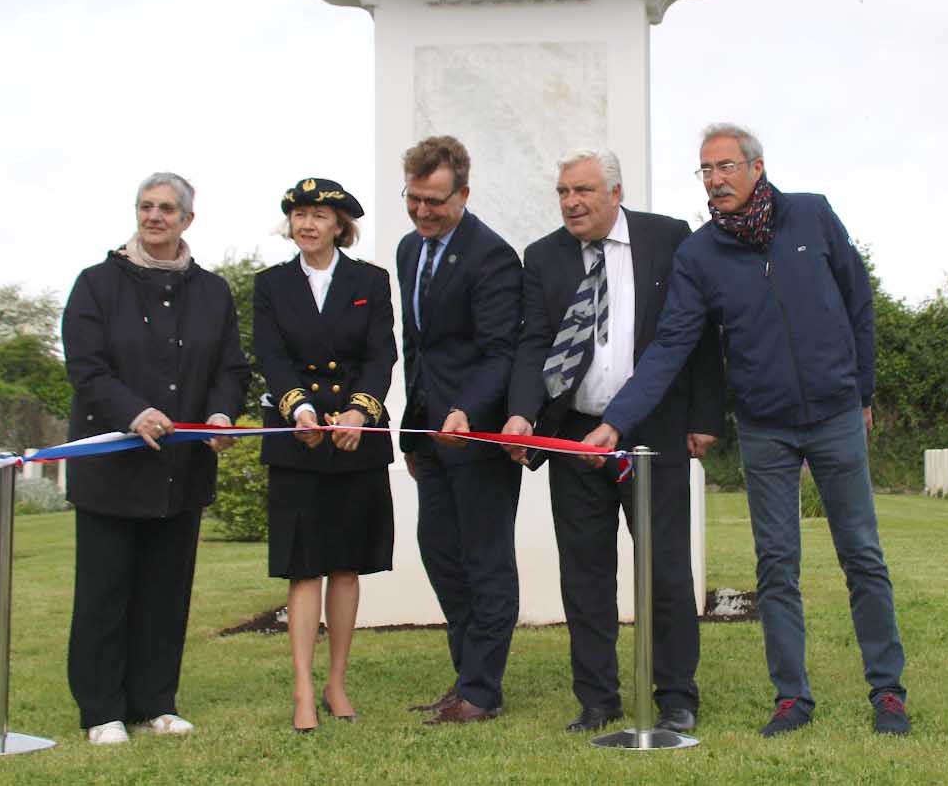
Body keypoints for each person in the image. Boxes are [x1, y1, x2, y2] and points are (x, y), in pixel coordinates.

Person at [583, 123, 911, 738]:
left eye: (726, 167)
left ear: (757, 169)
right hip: (764, 427)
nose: (715, 180)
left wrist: (862, 392)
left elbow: (857, 302)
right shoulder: (701, 253)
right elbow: (671, 345)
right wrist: (615, 421)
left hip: (836, 416)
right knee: (776, 565)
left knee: (862, 555)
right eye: (705, 170)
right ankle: (792, 698)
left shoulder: (812, 216)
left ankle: (887, 691)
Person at [500, 149, 725, 733]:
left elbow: (700, 335)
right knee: (584, 573)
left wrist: (703, 414)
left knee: (666, 568)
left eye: (583, 191)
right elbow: (535, 344)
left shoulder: (669, 239)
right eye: (563, 192)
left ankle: (676, 694)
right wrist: (522, 413)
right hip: (574, 435)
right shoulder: (543, 256)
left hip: (653, 433)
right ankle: (597, 699)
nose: (571, 202)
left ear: (615, 193)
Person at [60, 171, 248, 745]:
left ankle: (154, 702)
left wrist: (220, 415)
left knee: (166, 593)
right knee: (105, 593)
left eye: (167, 208)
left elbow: (230, 369)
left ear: (187, 219)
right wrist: (133, 413)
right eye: (146, 207)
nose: (154, 216)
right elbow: (86, 367)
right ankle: (101, 710)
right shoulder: (95, 285)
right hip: (111, 472)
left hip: (179, 473)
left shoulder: (212, 292)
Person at [253, 177, 396, 732]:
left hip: (356, 438)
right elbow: (272, 355)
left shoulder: (370, 280)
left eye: (319, 214)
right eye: (299, 214)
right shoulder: (270, 285)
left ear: (341, 225)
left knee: (346, 564)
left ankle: (337, 682)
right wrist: (300, 412)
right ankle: (302, 689)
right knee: (303, 567)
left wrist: (360, 412)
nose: (307, 223)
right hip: (299, 438)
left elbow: (382, 354)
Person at [395, 135, 524, 725]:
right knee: (441, 556)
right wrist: (412, 431)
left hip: (476, 437)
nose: (423, 212)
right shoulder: (406, 249)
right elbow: (417, 347)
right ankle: (464, 677)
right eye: (414, 199)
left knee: (485, 561)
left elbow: (501, 353)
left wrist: (467, 410)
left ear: (464, 194)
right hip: (428, 438)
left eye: (435, 202)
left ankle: (481, 690)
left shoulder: (491, 256)